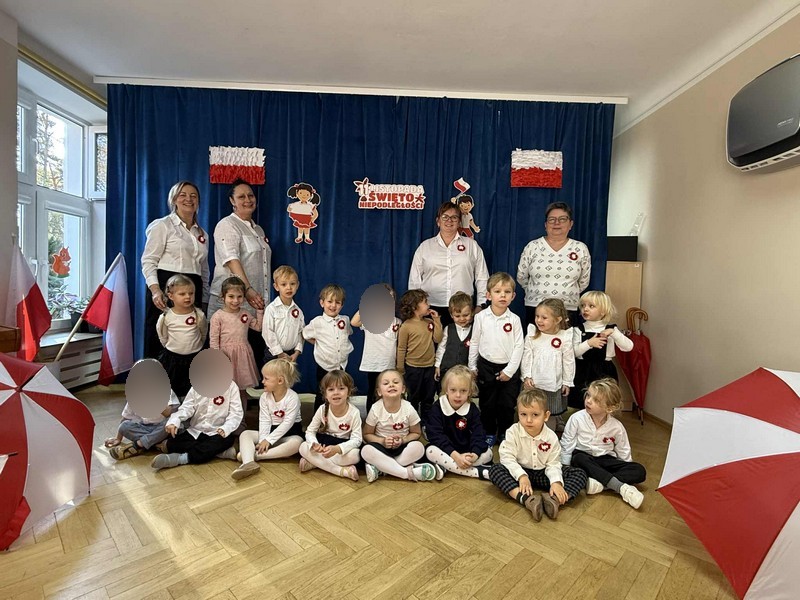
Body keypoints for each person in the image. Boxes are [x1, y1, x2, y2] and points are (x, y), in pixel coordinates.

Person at [489, 388, 587, 521]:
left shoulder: (551, 437)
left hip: (543, 473)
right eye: (523, 414)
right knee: (495, 470)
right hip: (521, 472)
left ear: (546, 416)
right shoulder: (513, 432)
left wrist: (556, 482)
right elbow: (507, 457)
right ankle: (527, 499)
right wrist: (521, 476)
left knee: (580, 474)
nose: (528, 420)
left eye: (535, 415)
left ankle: (554, 500)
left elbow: (553, 463)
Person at [141, 181, 210, 359]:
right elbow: (149, 260)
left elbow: (204, 269)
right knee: (161, 336)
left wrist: (204, 297)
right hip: (166, 286)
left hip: (193, 288)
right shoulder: (162, 225)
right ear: (173, 200)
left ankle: (188, 376)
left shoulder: (202, 234)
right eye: (183, 195)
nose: (189, 199)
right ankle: (156, 375)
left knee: (190, 337)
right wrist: (155, 290)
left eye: (193, 196)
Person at [210, 179, 271, 369]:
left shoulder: (258, 229)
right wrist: (248, 290)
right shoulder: (227, 225)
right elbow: (231, 260)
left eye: (250, 195)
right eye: (241, 196)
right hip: (234, 304)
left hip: (256, 304)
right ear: (232, 201)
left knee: (249, 361)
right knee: (226, 363)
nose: (247, 200)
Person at [561, 378, 646, 509]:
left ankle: (601, 485)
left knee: (639, 471)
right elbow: (567, 443)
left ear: (610, 408)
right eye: (588, 395)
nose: (588, 401)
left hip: (605, 460)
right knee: (578, 458)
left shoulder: (616, 427)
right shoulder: (576, 418)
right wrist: (565, 467)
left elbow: (624, 451)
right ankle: (620, 487)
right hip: (584, 459)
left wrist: (626, 467)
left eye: (596, 400)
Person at [408, 201, 489, 326]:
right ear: (438, 221)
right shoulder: (425, 247)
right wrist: (417, 308)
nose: (449, 220)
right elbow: (415, 280)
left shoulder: (472, 246)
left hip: (463, 310)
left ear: (459, 222)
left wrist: (480, 305)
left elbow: (482, 277)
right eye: (445, 217)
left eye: (454, 217)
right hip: (430, 309)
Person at [467, 272, 524, 447]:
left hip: (509, 368)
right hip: (486, 366)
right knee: (487, 403)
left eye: (507, 292)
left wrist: (509, 371)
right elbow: (475, 341)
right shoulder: (480, 317)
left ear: (513, 296)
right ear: (488, 295)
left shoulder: (515, 320)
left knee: (507, 404)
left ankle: (505, 433)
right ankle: (489, 432)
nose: (502, 295)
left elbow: (519, 347)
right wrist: (472, 366)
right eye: (498, 291)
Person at [516, 202, 591, 328]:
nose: (557, 223)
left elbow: (584, 281)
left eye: (562, 219)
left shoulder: (580, 248)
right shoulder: (533, 246)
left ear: (570, 224)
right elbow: (521, 277)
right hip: (536, 308)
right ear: (545, 225)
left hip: (567, 308)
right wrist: (538, 292)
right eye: (552, 219)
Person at [361, 369, 443, 483]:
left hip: (402, 448)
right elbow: (366, 434)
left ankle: (383, 468)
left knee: (419, 447)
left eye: (395, 382)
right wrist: (382, 441)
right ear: (379, 391)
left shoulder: (408, 408)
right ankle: (406, 472)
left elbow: (416, 433)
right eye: (386, 383)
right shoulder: (375, 409)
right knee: (366, 451)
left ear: (403, 389)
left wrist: (403, 440)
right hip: (381, 448)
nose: (391, 385)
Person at [151, 376, 243, 470]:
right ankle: (220, 453)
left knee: (224, 441)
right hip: (196, 431)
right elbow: (186, 408)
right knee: (170, 444)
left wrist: (226, 427)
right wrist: (175, 421)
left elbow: (236, 414)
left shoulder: (231, 387)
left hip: (217, 433)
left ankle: (182, 458)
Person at [232, 358, 304, 480]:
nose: (263, 381)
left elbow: (287, 423)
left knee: (297, 443)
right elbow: (264, 420)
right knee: (246, 434)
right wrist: (263, 440)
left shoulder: (293, 398)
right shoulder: (264, 397)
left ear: (280, 380)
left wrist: (269, 441)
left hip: (289, 432)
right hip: (270, 430)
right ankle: (248, 463)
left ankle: (255, 456)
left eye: (266, 379)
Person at [425, 366, 493, 479]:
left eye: (463, 391)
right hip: (447, 451)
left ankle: (449, 467)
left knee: (489, 453)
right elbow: (436, 436)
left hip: (467, 451)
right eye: (453, 390)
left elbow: (479, 433)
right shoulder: (437, 408)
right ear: (446, 390)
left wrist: (474, 455)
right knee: (430, 451)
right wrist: (455, 456)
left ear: (470, 392)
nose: (458, 395)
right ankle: (478, 473)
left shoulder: (472, 409)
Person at [570, 291, 634, 409]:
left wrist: (614, 333)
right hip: (583, 369)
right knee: (582, 401)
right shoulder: (578, 329)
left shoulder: (611, 329)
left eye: (591, 306)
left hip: (605, 370)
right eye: (583, 306)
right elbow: (574, 352)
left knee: (605, 401)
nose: (585, 309)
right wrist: (589, 343)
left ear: (603, 311)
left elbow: (628, 347)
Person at [521, 298, 575, 431]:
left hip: (553, 385)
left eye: (544, 318)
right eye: (537, 316)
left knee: (549, 413)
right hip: (534, 384)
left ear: (557, 319)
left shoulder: (564, 337)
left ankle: (548, 436)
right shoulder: (532, 335)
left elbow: (568, 361)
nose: (539, 320)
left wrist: (567, 382)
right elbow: (527, 357)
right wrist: (526, 376)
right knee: (532, 410)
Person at [298, 370, 362, 481]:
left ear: (349, 392)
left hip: (342, 446)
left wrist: (338, 449)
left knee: (356, 455)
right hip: (324, 444)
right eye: (331, 389)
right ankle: (341, 471)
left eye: (341, 388)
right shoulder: (322, 409)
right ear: (325, 394)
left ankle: (315, 463)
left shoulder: (354, 412)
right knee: (303, 447)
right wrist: (314, 444)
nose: (336, 392)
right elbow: (310, 431)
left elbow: (357, 439)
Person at [302, 284, 354, 410]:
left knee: (340, 392)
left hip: (341, 365)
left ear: (342, 305)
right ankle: (319, 420)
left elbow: (347, 333)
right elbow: (305, 334)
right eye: (329, 301)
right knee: (323, 395)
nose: (333, 305)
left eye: (337, 302)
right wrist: (318, 343)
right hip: (324, 366)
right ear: (322, 303)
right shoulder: (317, 322)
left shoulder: (345, 320)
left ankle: (338, 416)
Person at [351, 283, 400, 412]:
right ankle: (371, 418)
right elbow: (354, 322)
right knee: (373, 392)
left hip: (390, 365)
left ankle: (388, 417)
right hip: (374, 364)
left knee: (389, 393)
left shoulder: (397, 322)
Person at [156, 275, 208, 397]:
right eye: (182, 294)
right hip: (172, 358)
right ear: (171, 296)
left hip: (194, 358)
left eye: (191, 293)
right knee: (172, 388)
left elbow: (203, 333)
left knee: (193, 389)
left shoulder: (199, 315)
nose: (187, 297)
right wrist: (172, 347)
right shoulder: (166, 317)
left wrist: (197, 347)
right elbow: (163, 336)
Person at [396, 289, 443, 423]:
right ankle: (413, 423)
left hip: (429, 367)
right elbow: (401, 348)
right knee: (413, 397)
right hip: (413, 368)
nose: (429, 304)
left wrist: (436, 320)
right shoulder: (406, 326)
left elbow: (438, 339)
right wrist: (400, 368)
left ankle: (427, 423)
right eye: (425, 302)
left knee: (428, 397)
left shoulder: (429, 322)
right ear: (414, 307)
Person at [209, 276, 263, 393]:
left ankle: (242, 406)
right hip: (225, 355)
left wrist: (259, 310)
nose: (235, 300)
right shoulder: (218, 316)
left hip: (243, 356)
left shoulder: (245, 313)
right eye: (231, 296)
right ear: (223, 297)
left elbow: (258, 327)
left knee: (242, 389)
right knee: (226, 389)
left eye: (239, 296)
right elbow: (214, 340)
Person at [104, 384, 180, 460]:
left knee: (169, 423)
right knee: (124, 426)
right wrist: (118, 438)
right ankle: (155, 444)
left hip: (165, 429)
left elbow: (168, 413)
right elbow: (125, 417)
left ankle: (138, 445)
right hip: (147, 428)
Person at [261, 265, 304, 366]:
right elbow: (267, 332)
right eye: (284, 284)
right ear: (276, 286)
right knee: (273, 376)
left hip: (291, 354)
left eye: (292, 284)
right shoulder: (271, 309)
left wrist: (297, 352)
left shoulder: (298, 311)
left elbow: (300, 332)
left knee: (288, 376)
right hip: (273, 353)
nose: (289, 287)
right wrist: (279, 353)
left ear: (297, 285)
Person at [434, 291, 473, 385]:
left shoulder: (474, 330)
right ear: (451, 315)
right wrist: (437, 365)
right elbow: (441, 348)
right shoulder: (448, 329)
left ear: (472, 312)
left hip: (465, 372)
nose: (462, 319)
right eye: (457, 316)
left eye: (465, 315)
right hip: (447, 369)